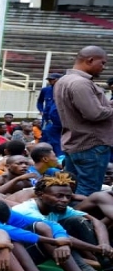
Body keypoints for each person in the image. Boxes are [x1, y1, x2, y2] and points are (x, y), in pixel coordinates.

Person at [54, 46, 113, 196]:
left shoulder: (64, 80)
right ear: (90, 60)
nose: (103, 68)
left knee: (70, 190)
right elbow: (94, 113)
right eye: (102, 63)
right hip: (91, 145)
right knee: (89, 192)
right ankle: (83, 219)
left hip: (76, 143)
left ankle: (70, 218)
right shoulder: (81, 83)